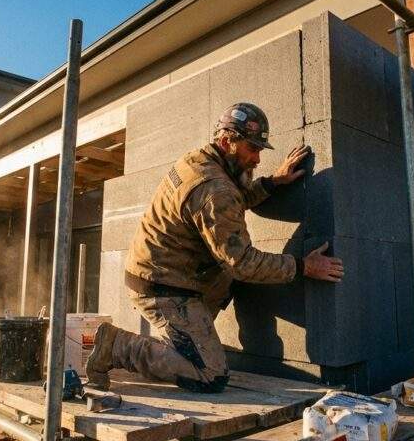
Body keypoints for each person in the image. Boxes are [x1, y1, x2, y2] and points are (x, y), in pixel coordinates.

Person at [86, 102, 344, 392]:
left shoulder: (202, 160)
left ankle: (186, 341)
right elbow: (242, 261)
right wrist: (304, 266)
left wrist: (273, 183)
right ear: (226, 142)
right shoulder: (213, 188)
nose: (257, 159)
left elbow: (231, 202)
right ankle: (117, 346)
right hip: (162, 285)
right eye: (252, 149)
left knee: (228, 277)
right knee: (209, 375)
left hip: (169, 271)